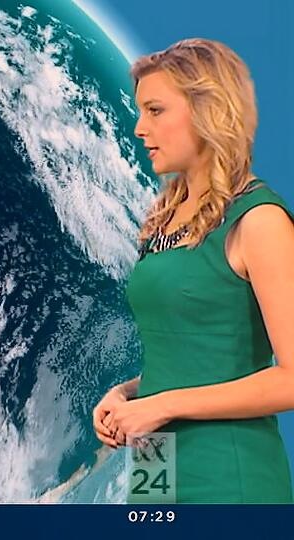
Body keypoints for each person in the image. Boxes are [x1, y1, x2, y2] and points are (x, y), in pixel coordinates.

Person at [92, 38, 294, 503]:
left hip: (227, 479)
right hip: (155, 469)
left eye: (156, 110)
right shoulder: (165, 217)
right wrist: (128, 395)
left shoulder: (259, 221)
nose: (140, 128)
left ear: (209, 111)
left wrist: (162, 406)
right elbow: (191, 358)